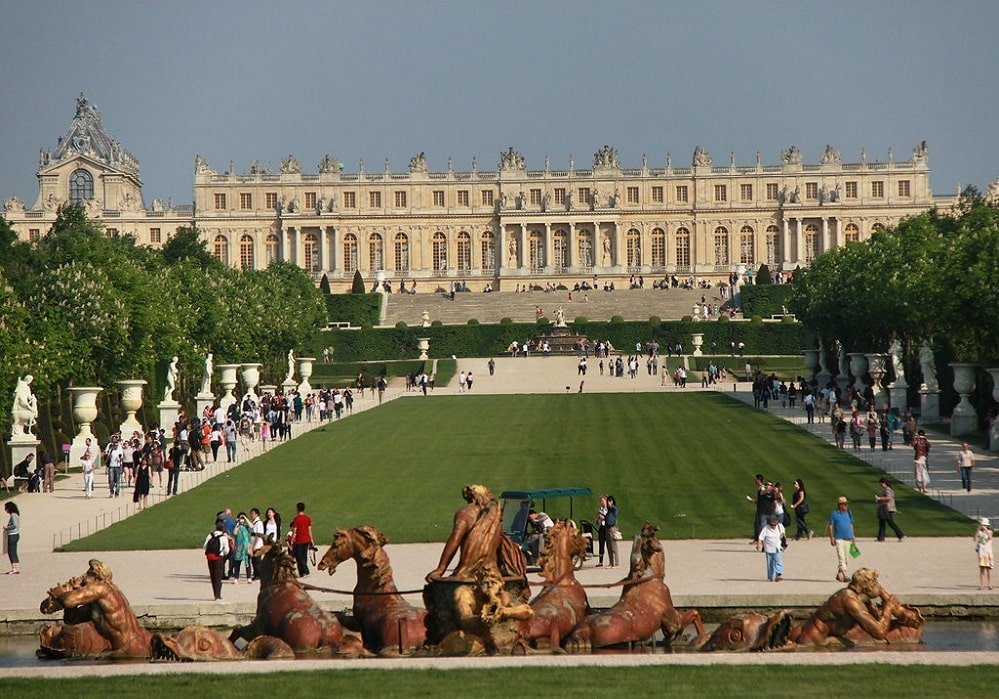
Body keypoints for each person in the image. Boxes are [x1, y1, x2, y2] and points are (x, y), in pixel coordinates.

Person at [425, 483, 526, 581]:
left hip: (469, 573)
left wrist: (440, 569)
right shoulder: (495, 517)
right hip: (493, 574)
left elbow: (454, 541)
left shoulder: (465, 514)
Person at [828, 496, 856, 583]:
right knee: (841, 557)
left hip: (848, 538)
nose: (846, 505)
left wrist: (853, 536)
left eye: (846, 504)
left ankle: (839, 574)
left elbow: (851, 525)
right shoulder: (834, 514)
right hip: (839, 538)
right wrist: (832, 537)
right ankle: (844, 576)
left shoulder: (849, 513)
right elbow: (831, 526)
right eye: (844, 504)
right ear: (840, 505)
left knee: (846, 558)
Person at [203, 521, 230, 601]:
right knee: (218, 577)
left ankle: (214, 592)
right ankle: (217, 595)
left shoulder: (210, 535)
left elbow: (205, 546)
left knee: (212, 576)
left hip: (210, 558)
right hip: (219, 558)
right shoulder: (223, 537)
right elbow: (227, 550)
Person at [754, 515, 785, 582]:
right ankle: (771, 577)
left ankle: (778, 574)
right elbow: (760, 537)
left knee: (778, 562)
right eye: (772, 524)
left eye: (775, 524)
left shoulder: (780, 526)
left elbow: (782, 532)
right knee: (770, 563)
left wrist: (782, 536)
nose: (773, 526)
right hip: (768, 549)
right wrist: (759, 544)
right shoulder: (766, 528)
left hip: (777, 548)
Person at [288, 501, 314, 577]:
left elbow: (295, 530)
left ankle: (306, 571)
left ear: (297, 509)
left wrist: (292, 539)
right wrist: (312, 540)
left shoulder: (296, 519)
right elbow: (309, 530)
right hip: (306, 539)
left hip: (299, 540)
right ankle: (303, 572)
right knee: (304, 555)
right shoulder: (307, 518)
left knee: (299, 556)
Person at [875, 478, 905, 542]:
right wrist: (879, 500)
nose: (880, 485)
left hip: (888, 509)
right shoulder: (886, 490)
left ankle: (901, 535)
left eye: (881, 483)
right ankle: (881, 537)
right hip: (885, 508)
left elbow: (888, 498)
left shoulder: (888, 490)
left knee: (890, 522)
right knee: (882, 522)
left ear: (884, 483)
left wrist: (879, 498)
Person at [231, 512, 252, 583]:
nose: (242, 520)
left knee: (247, 563)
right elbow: (234, 533)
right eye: (240, 518)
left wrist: (245, 518)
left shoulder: (246, 526)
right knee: (237, 563)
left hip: (246, 547)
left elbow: (252, 526)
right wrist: (237, 523)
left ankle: (249, 578)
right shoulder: (237, 526)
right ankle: (236, 578)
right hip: (239, 547)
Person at [975, 518, 993, 590]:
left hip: (988, 553)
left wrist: (985, 530)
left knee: (989, 569)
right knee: (982, 569)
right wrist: (977, 530)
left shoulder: (990, 531)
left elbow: (990, 538)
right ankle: (982, 585)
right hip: (981, 553)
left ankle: (989, 584)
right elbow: (974, 539)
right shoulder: (979, 533)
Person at [4, 502, 21, 574]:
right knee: (14, 551)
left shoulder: (13, 515)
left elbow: (14, 525)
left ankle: (14, 568)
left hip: (12, 535)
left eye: (6, 508)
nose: (5, 510)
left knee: (11, 552)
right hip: (16, 534)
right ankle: (16, 568)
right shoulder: (16, 514)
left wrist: (7, 528)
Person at [912, 429, 931, 494]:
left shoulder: (925, 441)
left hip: (922, 458)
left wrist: (925, 439)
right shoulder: (917, 440)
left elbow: (929, 446)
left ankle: (923, 488)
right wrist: (916, 439)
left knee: (923, 473)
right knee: (918, 474)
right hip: (918, 459)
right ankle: (921, 488)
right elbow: (913, 445)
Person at [604, 495, 620, 568]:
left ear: (613, 502)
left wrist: (610, 505)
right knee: (609, 547)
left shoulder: (614, 509)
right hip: (607, 528)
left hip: (612, 528)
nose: (608, 503)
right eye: (608, 501)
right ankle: (611, 563)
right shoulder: (608, 510)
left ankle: (616, 563)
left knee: (614, 547)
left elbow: (613, 516)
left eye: (610, 501)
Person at [595, 495, 609, 567]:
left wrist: (603, 518)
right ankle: (600, 561)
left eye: (602, 501)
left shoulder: (609, 510)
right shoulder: (600, 510)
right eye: (600, 501)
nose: (601, 503)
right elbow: (597, 521)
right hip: (601, 528)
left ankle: (612, 561)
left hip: (607, 528)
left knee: (609, 545)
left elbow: (610, 519)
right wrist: (598, 519)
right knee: (601, 545)